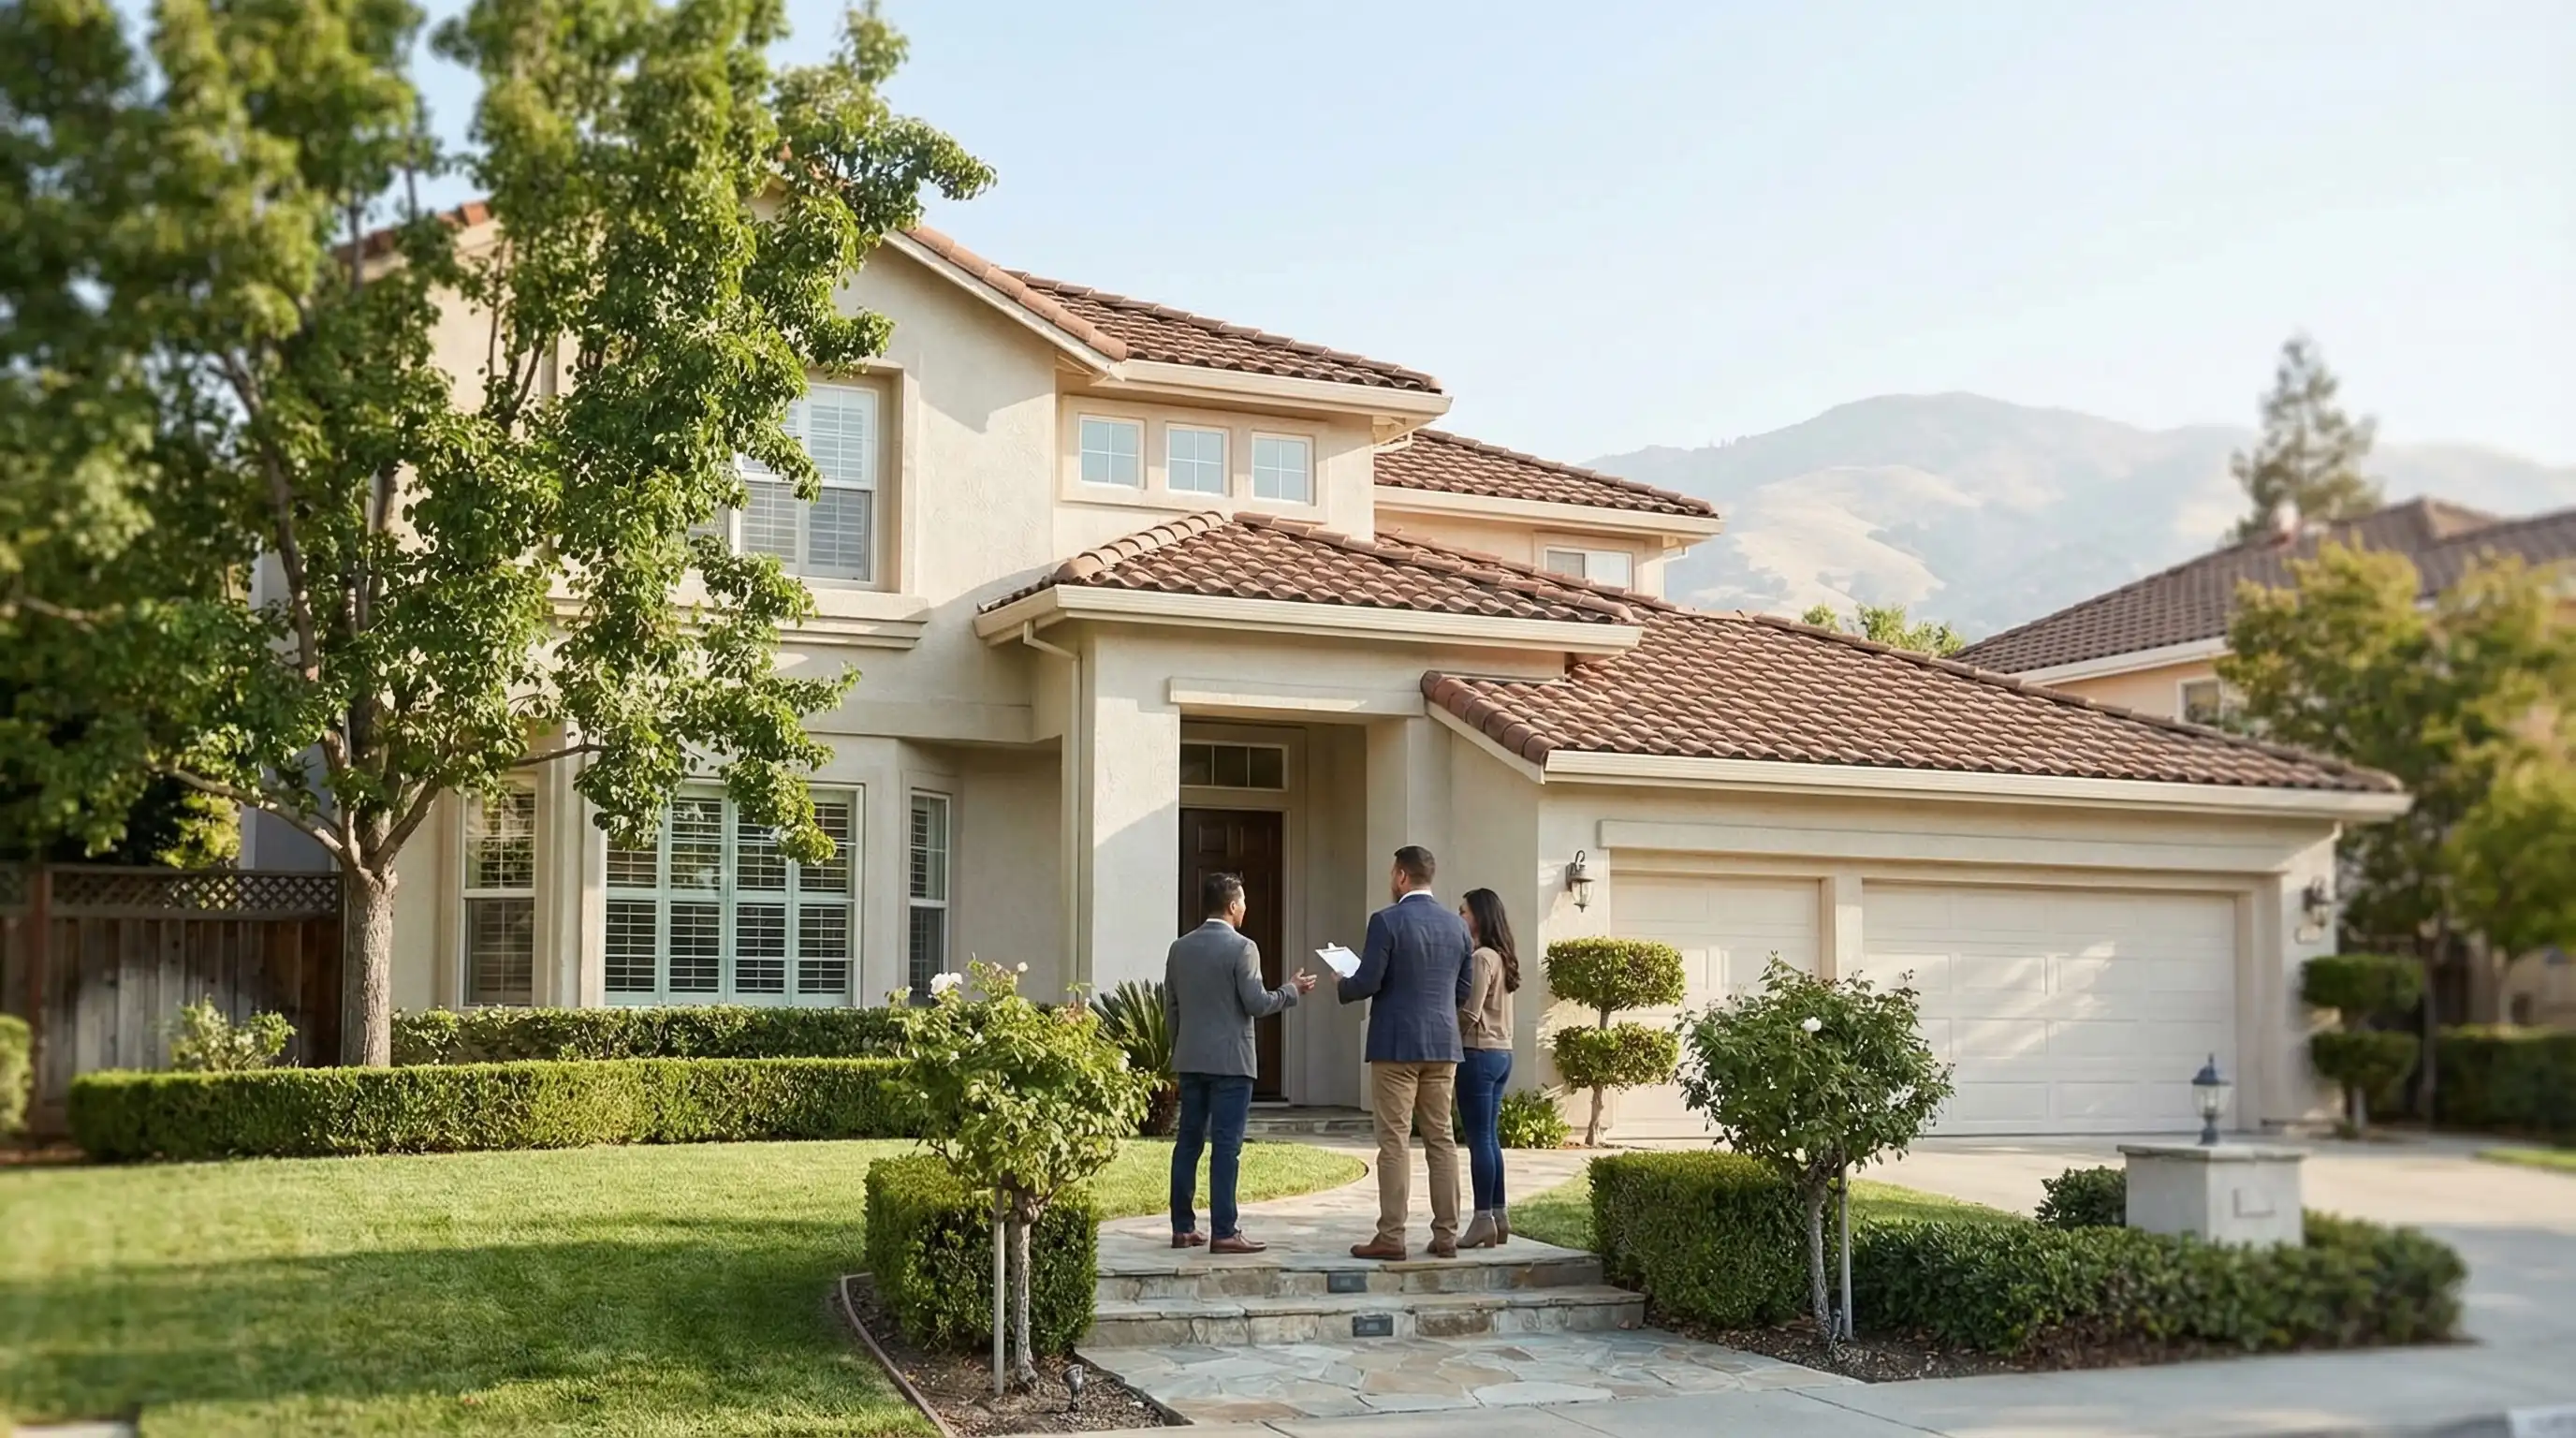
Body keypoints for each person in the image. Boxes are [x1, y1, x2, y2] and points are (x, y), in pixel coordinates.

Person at [1164, 872, 1315, 1254]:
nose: (1246, 908)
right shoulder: (1243, 948)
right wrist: (1291, 991)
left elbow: (1172, 1008)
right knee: (1226, 1147)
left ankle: (1183, 1228)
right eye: (1243, 902)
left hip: (1191, 1058)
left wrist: (1179, 1047)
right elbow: (1257, 1003)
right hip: (1232, 1063)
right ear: (1232, 906)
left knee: (1188, 1143)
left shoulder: (1179, 948)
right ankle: (1225, 1231)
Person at [1335, 844, 1474, 1259]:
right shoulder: (1457, 927)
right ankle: (1446, 1235)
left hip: (1396, 1045)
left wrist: (1343, 980)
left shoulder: (1386, 921)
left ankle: (1392, 1236)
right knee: (1441, 1139)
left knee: (1394, 1140)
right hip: (1443, 1044)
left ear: (1400, 876)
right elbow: (1463, 991)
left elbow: (1368, 981)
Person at [1455, 888, 1521, 1249]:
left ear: (1478, 916)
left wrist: (1445, 1038)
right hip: (1502, 1054)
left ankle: (1482, 1219)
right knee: (1490, 1138)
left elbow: (1470, 1011)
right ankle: (1498, 1214)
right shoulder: (1502, 956)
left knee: (1479, 1139)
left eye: (1463, 912)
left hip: (1478, 1054)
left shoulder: (1481, 957)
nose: (1460, 917)